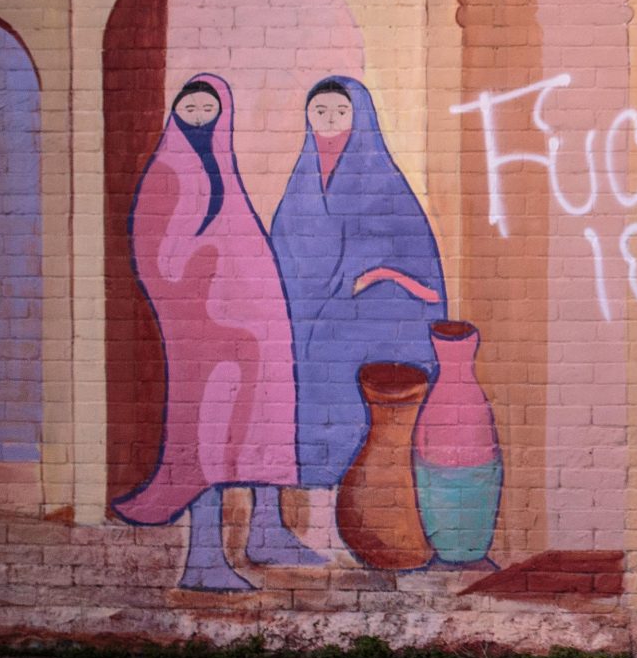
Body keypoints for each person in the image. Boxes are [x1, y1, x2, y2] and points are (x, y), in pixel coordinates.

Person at [111, 75, 320, 590]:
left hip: (252, 328)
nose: (200, 116)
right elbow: (154, 252)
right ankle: (203, 558)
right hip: (202, 332)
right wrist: (204, 269)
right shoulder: (167, 170)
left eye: (209, 108)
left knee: (262, 424)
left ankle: (267, 531)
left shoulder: (223, 168)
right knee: (208, 433)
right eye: (191, 107)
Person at [269, 77, 446, 560]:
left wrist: (374, 277)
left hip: (363, 326)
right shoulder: (302, 179)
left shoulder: (381, 178)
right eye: (319, 111)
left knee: (357, 415)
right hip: (307, 324)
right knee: (304, 411)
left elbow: (414, 257)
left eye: (339, 111)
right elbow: (283, 247)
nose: (328, 121)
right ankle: (312, 525)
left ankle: (363, 521)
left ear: (360, 116)